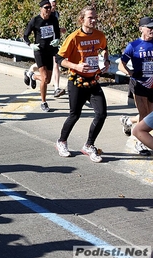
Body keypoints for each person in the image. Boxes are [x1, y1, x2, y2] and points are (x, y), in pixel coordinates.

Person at [55, 6, 110, 163]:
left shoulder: (100, 35)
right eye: (90, 18)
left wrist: (106, 60)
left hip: (93, 80)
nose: (93, 20)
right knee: (75, 114)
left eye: (95, 17)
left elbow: (105, 49)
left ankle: (89, 145)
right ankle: (61, 142)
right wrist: (76, 66)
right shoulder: (74, 37)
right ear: (82, 20)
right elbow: (59, 59)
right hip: (77, 80)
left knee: (101, 114)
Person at [118, 17, 153, 156]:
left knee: (150, 116)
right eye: (149, 27)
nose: (152, 30)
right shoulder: (133, 45)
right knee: (145, 114)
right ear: (141, 29)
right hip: (139, 84)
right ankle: (140, 143)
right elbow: (121, 64)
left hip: (152, 84)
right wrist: (131, 73)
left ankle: (128, 120)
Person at [23, 0, 60, 112]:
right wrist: (31, 45)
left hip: (50, 50)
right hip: (39, 51)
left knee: (47, 80)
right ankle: (43, 102)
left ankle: (32, 76)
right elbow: (25, 36)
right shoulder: (35, 20)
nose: (48, 10)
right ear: (41, 8)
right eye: (46, 8)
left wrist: (57, 40)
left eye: (49, 8)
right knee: (44, 78)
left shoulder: (53, 19)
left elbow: (57, 32)